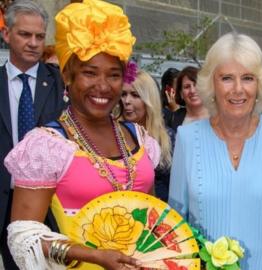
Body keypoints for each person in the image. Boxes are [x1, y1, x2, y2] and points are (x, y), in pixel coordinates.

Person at [4, 1, 160, 269]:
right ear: (68, 76)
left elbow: (154, 215)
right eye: (89, 73)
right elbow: (23, 238)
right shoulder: (46, 146)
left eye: (113, 75)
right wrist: (93, 256)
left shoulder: (139, 138)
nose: (102, 86)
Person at [168, 32, 262, 269]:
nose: (238, 89)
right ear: (212, 83)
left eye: (248, 78)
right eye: (227, 78)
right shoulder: (187, 138)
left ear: (260, 84)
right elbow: (175, 226)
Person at [0, 1, 65, 268]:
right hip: (6, 205)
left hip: (54, 204)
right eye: (25, 34)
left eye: (39, 36)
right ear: (6, 34)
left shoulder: (63, 83)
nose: (33, 43)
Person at [121, 65, 173, 201]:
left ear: (148, 100)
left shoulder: (168, 138)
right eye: (123, 94)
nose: (127, 101)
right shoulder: (110, 135)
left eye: (135, 95)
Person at [165, 66, 209, 132]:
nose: (192, 90)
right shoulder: (172, 119)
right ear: (181, 93)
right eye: (187, 87)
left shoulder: (220, 118)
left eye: (196, 85)